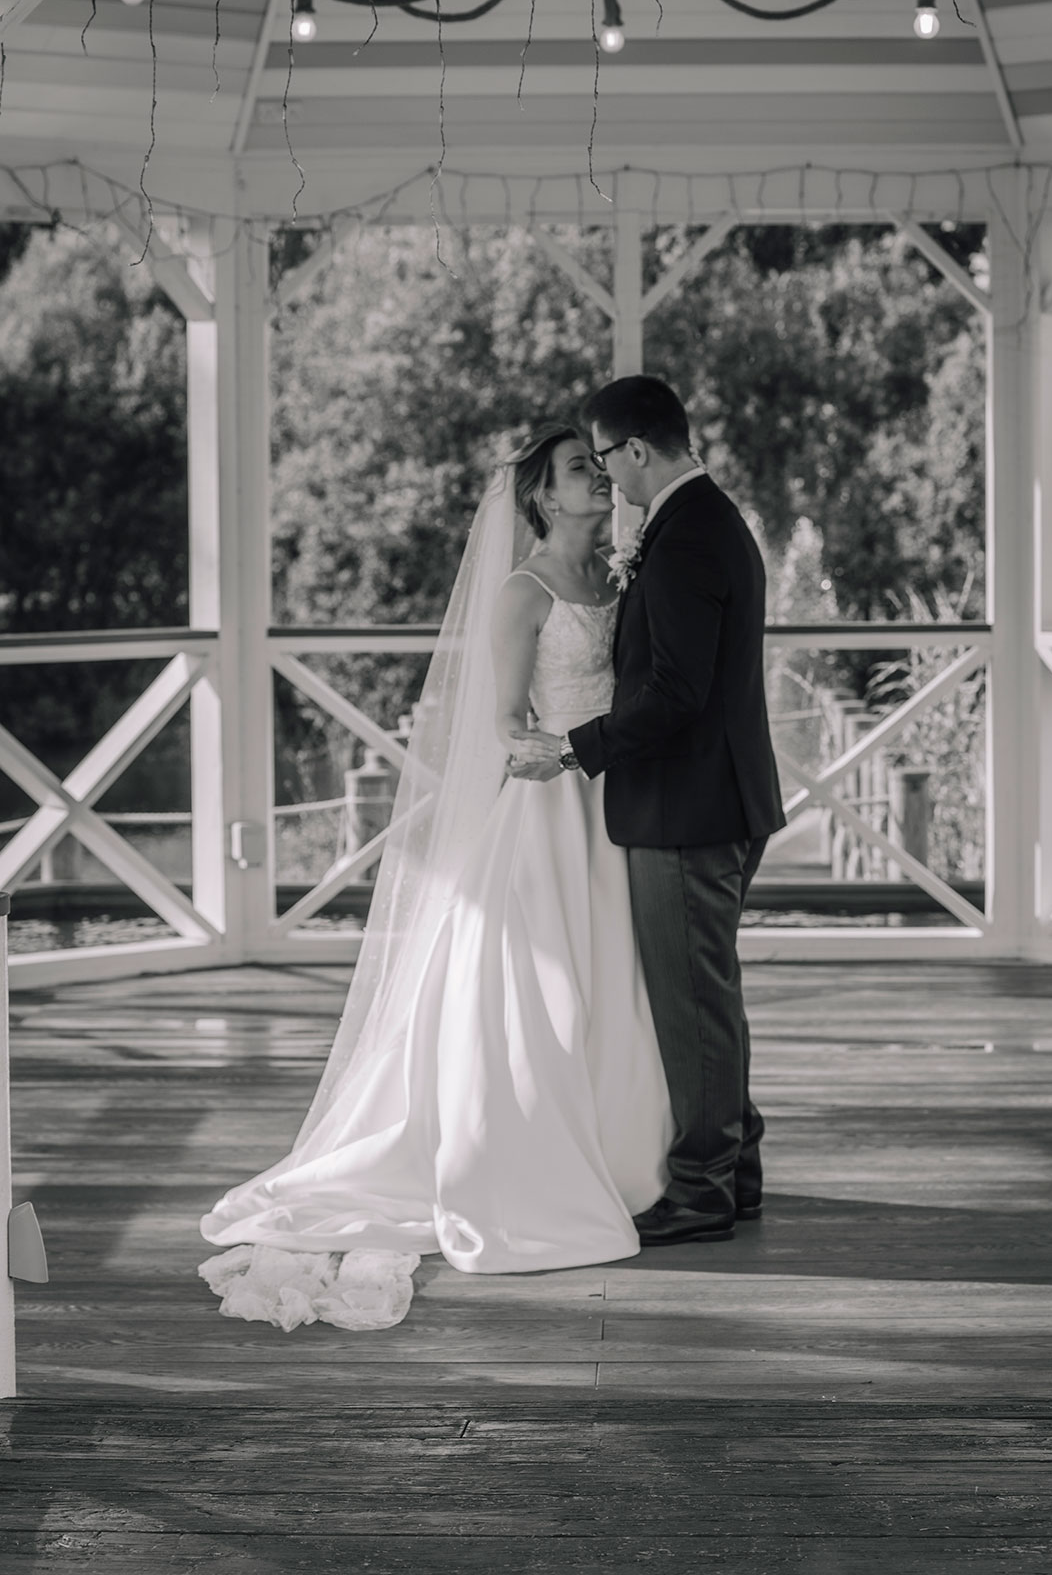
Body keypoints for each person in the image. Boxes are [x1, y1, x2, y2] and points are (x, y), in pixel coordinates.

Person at [198, 425, 672, 1331]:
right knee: (552, 991)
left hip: (622, 804)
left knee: (622, 984)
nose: (600, 480)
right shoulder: (523, 591)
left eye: (600, 468)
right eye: (581, 470)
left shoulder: (619, 580)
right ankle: (527, 1162)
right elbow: (499, 721)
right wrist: (566, 759)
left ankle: (627, 1150)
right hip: (553, 804)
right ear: (540, 497)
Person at [510, 376, 784, 1248]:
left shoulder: (685, 537)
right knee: (709, 994)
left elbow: (675, 691)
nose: (608, 478)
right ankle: (734, 1168)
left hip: (687, 809)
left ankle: (703, 1185)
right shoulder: (702, 521)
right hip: (708, 799)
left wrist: (573, 748)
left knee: (694, 1003)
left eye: (607, 458)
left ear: (635, 450)